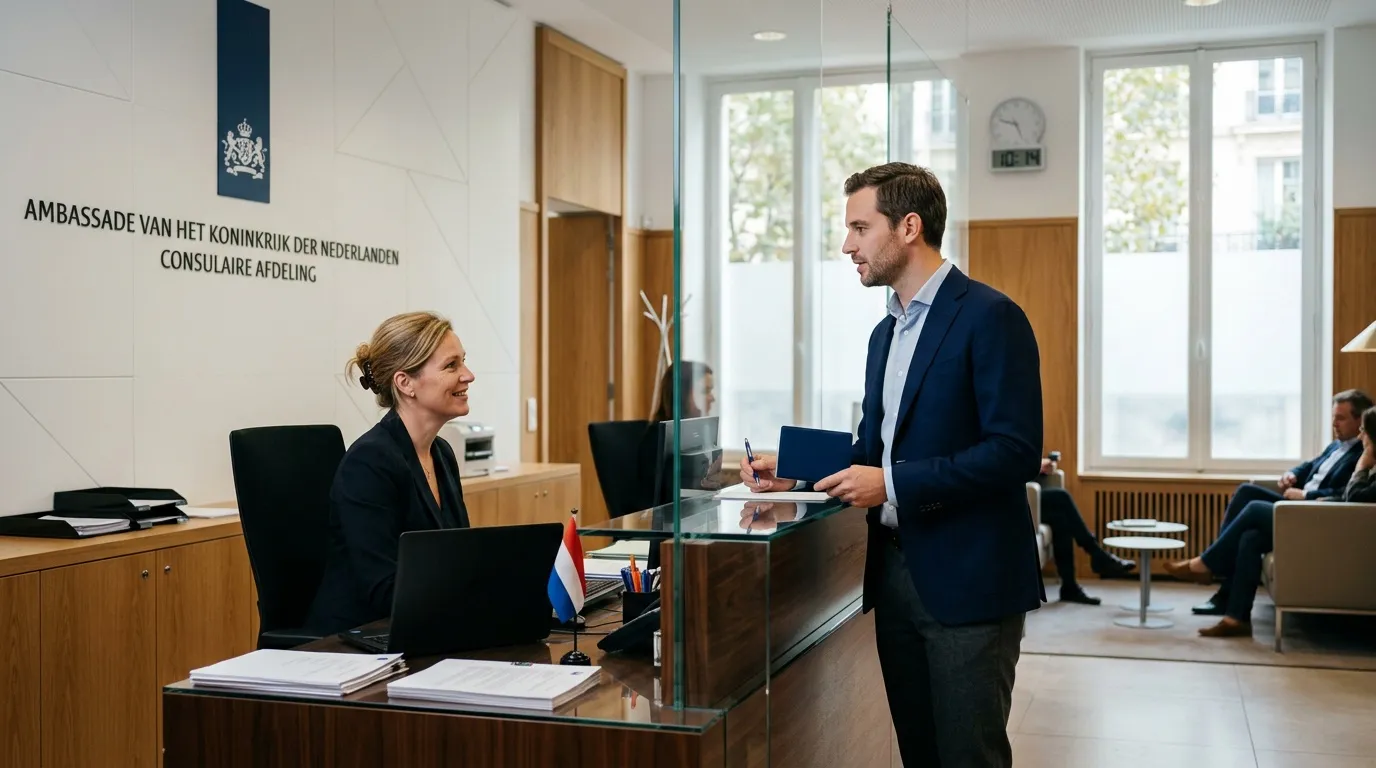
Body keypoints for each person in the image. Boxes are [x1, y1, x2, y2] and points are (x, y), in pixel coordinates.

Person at [740, 162, 1043, 767]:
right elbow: (871, 452)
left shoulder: (991, 316)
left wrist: (894, 484)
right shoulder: (887, 333)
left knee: (968, 757)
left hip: (969, 583)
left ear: (909, 226)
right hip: (896, 581)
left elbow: (1014, 454)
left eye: (859, 227)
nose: (847, 244)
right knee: (919, 754)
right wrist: (794, 471)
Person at [306, 311, 475, 634]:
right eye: (451, 365)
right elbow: (384, 589)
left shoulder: (442, 453)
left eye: (463, 362)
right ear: (405, 383)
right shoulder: (369, 462)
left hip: (421, 627)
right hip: (356, 642)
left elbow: (459, 561)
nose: (468, 375)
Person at [1167, 404, 1376, 637]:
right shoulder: (1337, 446)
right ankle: (1236, 617)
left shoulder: (1362, 457)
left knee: (1254, 507)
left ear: (1362, 424)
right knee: (1249, 530)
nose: (1336, 424)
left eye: (1342, 418)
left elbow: (1348, 496)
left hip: (1317, 517)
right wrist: (1294, 474)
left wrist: (1307, 495)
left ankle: (1206, 565)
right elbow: (1310, 465)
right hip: (1300, 509)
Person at [1035, 456, 1135, 605]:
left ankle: (1070, 587)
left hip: (1027, 496)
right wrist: (1035, 467)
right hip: (1011, 499)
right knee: (1061, 497)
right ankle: (1097, 554)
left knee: (1061, 520)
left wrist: (1040, 466)